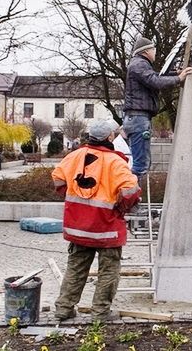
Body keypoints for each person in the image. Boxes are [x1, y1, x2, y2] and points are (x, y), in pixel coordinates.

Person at [51, 118, 141, 322]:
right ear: (110, 137)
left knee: (76, 267)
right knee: (109, 270)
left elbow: (57, 178)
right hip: (106, 227)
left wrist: (72, 196)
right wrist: (120, 208)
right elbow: (130, 191)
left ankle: (64, 309)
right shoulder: (115, 162)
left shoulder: (74, 156)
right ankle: (100, 313)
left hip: (78, 227)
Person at [123, 36, 192, 177]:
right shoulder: (139, 64)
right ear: (146, 51)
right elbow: (155, 81)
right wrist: (179, 79)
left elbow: (155, 75)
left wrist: (175, 73)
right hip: (138, 119)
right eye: (153, 49)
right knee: (140, 165)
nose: (155, 52)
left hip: (137, 118)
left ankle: (130, 195)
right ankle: (128, 196)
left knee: (142, 163)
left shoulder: (139, 64)